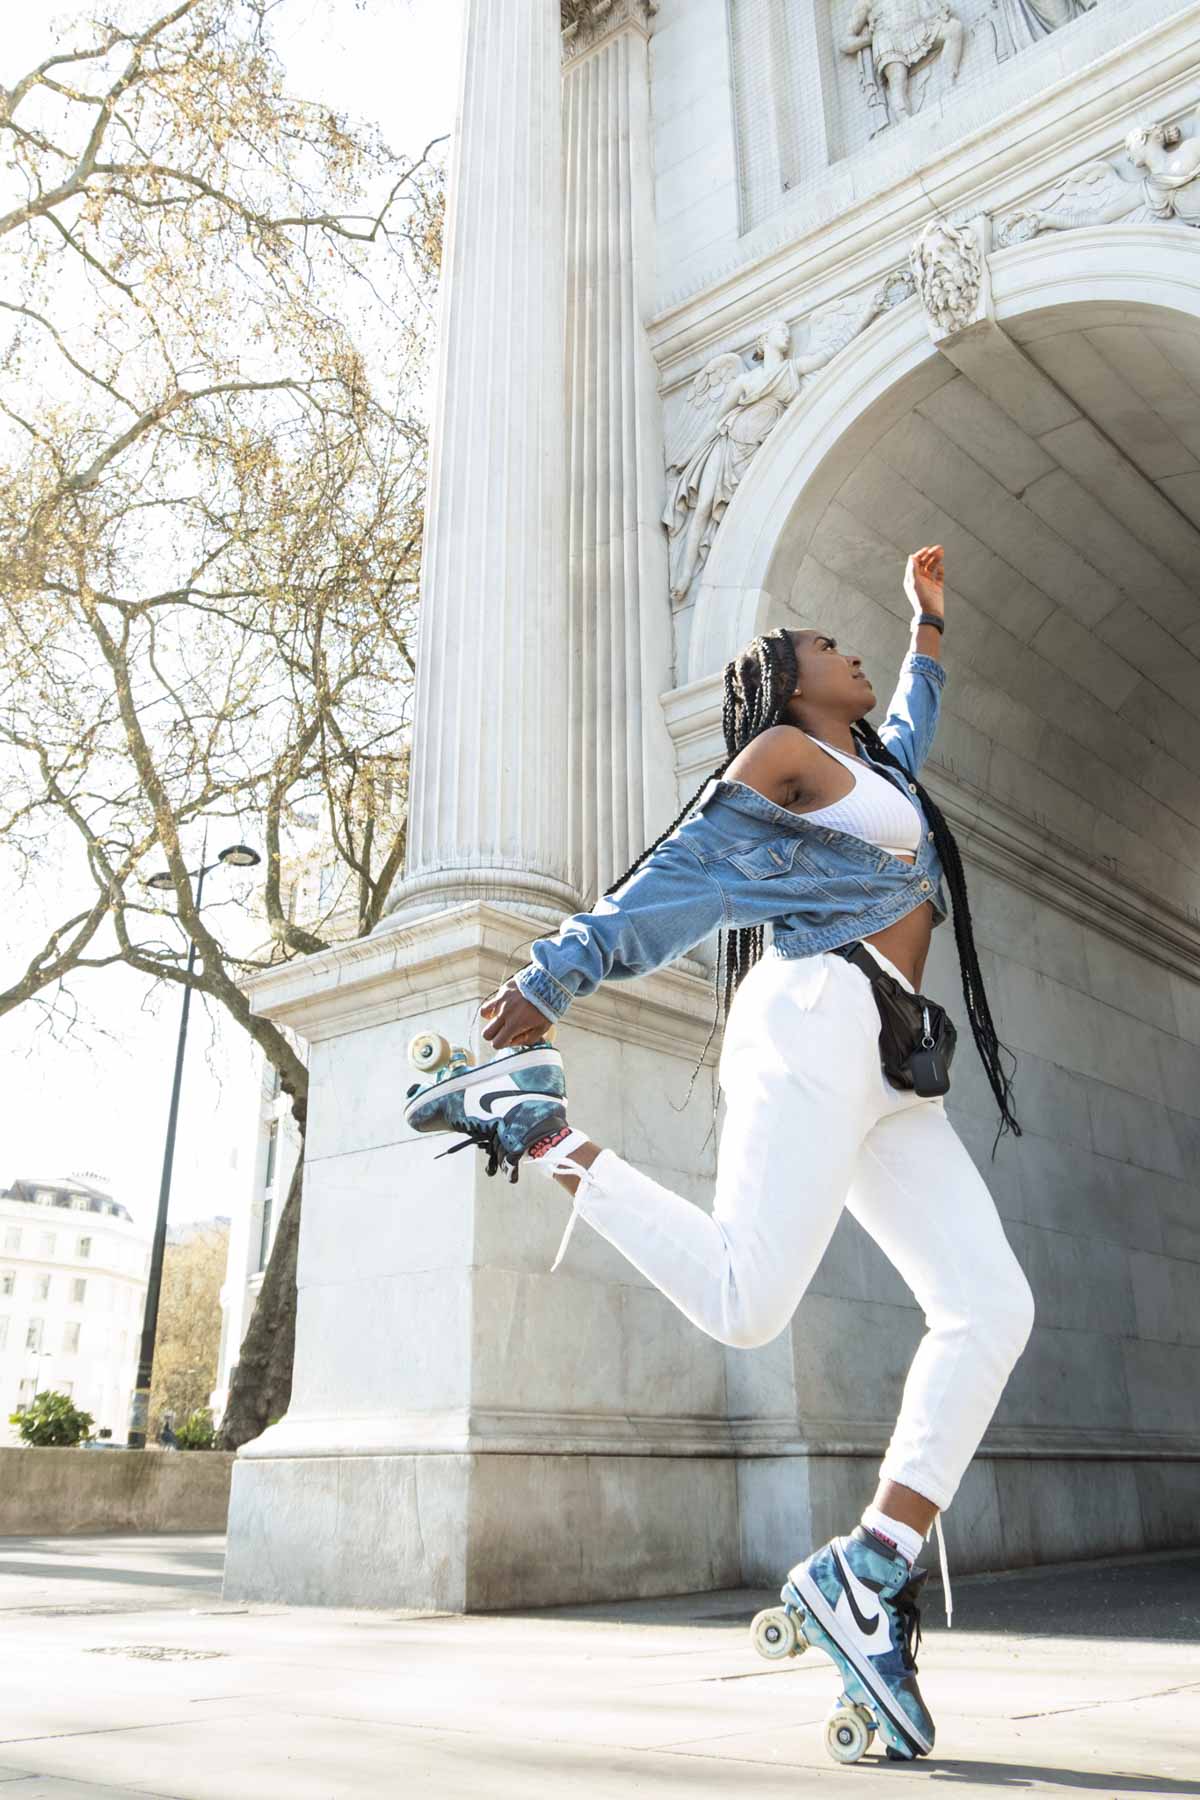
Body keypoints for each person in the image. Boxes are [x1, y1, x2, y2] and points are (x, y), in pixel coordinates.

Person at [405, 546, 1035, 1761]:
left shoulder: (875, 761)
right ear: (792, 687)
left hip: (894, 1060)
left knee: (990, 1304)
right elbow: (686, 870)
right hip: (813, 1017)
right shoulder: (784, 760)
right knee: (748, 1302)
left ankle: (874, 1563)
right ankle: (536, 1125)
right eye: (825, 647)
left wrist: (930, 629)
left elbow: (917, 714)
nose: (846, 652)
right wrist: (556, 973)